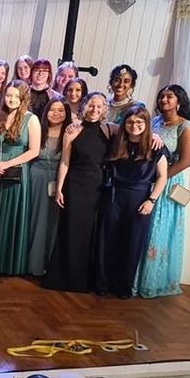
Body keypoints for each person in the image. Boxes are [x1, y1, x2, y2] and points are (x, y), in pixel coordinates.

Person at [93, 106, 168, 298]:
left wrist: (152, 200)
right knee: (106, 241)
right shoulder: (116, 143)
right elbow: (103, 125)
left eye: (139, 122)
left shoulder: (156, 146)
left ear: (146, 124)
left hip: (140, 198)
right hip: (113, 196)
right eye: (130, 122)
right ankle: (101, 284)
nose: (134, 126)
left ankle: (123, 287)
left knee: (132, 243)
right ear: (124, 124)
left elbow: (162, 177)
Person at [43, 92, 113, 292]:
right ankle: (64, 278)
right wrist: (59, 189)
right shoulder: (72, 130)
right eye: (91, 105)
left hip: (97, 188)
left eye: (99, 107)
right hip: (75, 184)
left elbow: (134, 130)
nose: (95, 110)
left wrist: (155, 134)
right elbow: (65, 161)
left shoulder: (109, 130)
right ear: (84, 107)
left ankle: (84, 279)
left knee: (89, 232)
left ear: (104, 110)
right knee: (70, 230)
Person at [137, 84, 190, 298]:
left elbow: (186, 161)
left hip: (168, 181)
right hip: (148, 177)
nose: (164, 100)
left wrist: (160, 179)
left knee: (159, 230)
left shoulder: (185, 126)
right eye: (162, 96)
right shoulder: (154, 121)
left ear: (179, 101)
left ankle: (152, 280)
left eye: (169, 97)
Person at [0, 80, 40, 275]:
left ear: (23, 98)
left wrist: (6, 164)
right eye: (9, 95)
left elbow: (33, 151)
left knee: (10, 216)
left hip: (15, 172)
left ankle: (8, 265)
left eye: (16, 96)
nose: (12, 99)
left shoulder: (31, 119)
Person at [28, 99, 70, 276]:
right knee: (33, 219)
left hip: (57, 180)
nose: (56, 113)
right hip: (35, 177)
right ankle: (29, 262)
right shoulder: (39, 130)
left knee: (51, 222)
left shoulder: (70, 133)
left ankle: (46, 263)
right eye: (52, 109)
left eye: (60, 110)